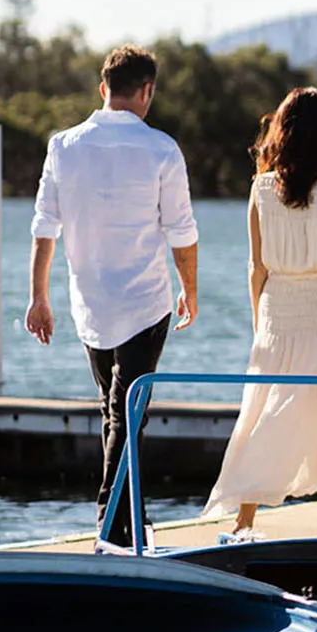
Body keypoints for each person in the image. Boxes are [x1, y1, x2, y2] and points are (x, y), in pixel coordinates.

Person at [26, 46, 199, 546]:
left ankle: (124, 523)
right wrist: (190, 288)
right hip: (146, 303)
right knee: (126, 413)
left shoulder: (63, 146)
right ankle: (112, 518)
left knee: (116, 410)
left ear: (104, 89)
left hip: (90, 303)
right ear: (146, 92)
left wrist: (39, 296)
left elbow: (44, 228)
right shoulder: (162, 149)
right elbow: (181, 232)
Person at [201, 88, 317, 536]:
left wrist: (260, 323)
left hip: (277, 316)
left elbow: (256, 268)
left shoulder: (260, 190)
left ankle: (244, 523)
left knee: (264, 418)